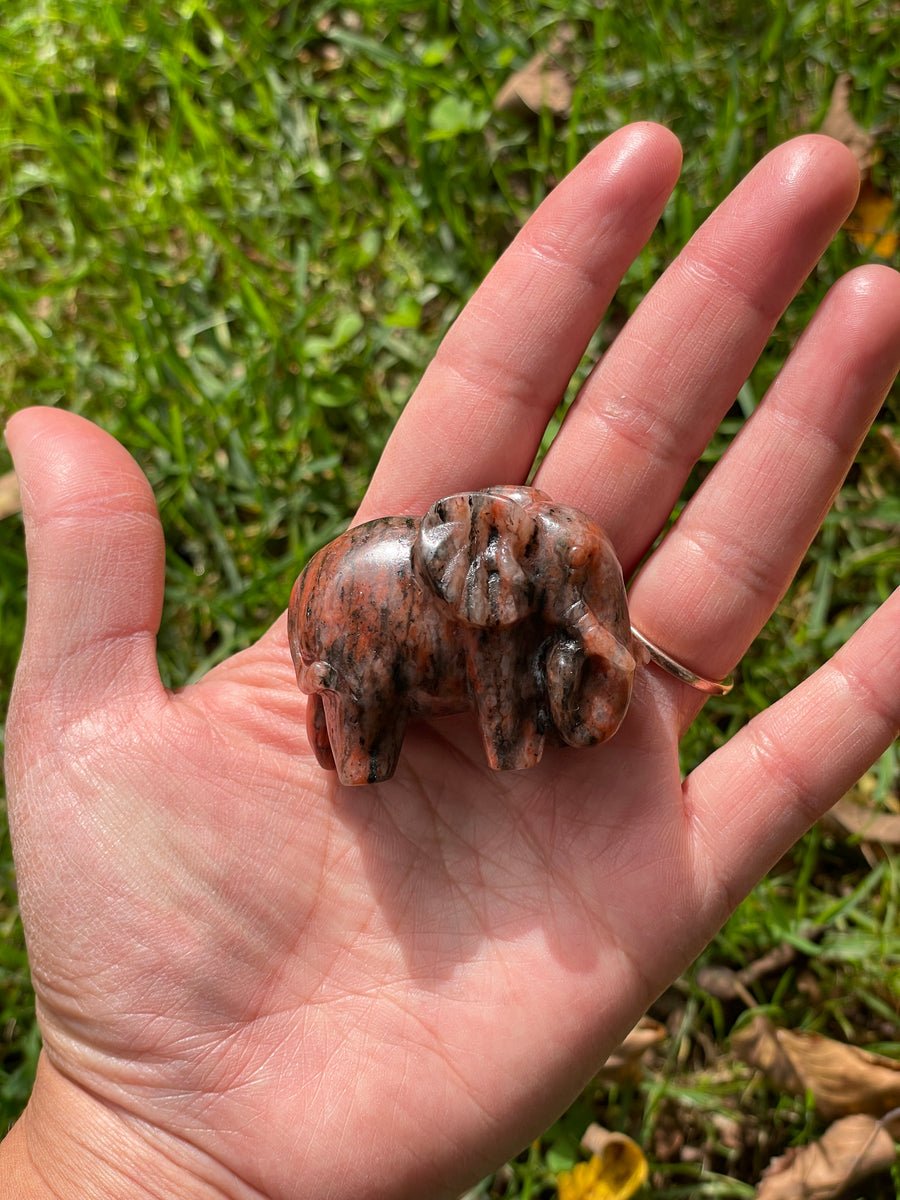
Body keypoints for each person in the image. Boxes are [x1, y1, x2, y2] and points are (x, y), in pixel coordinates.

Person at [2, 122, 899, 1200]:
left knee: (374, 705)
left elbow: (547, 634)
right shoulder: (476, 600)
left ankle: (363, 741)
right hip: (364, 616)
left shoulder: (517, 569)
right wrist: (141, 1134)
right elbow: (497, 674)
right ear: (494, 574)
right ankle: (361, 745)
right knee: (362, 704)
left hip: (387, 598)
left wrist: (134, 1151)